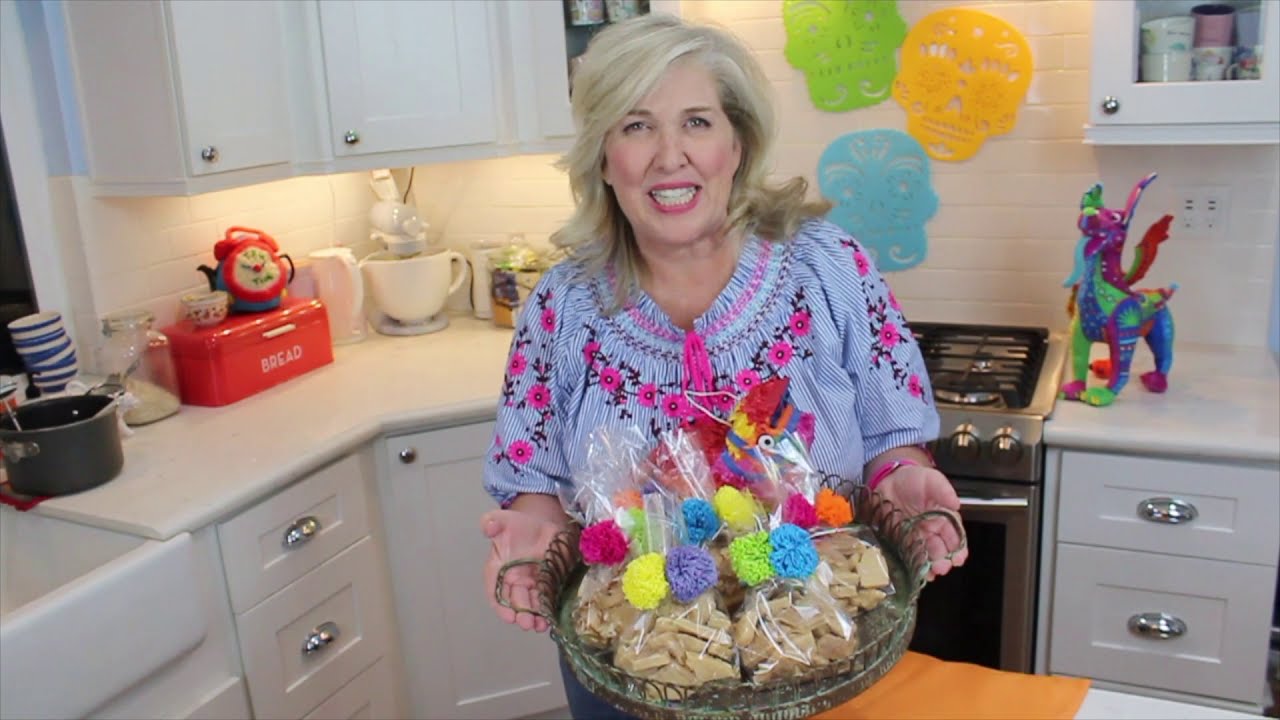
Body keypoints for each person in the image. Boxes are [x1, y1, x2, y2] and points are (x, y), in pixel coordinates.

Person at [480, 13, 967, 720]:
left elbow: (892, 433)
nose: (669, 156)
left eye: (698, 122)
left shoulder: (827, 266)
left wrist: (903, 475)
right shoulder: (563, 305)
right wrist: (533, 525)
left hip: (815, 656)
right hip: (637, 669)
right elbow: (536, 483)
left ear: (738, 142)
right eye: (636, 125)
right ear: (602, 155)